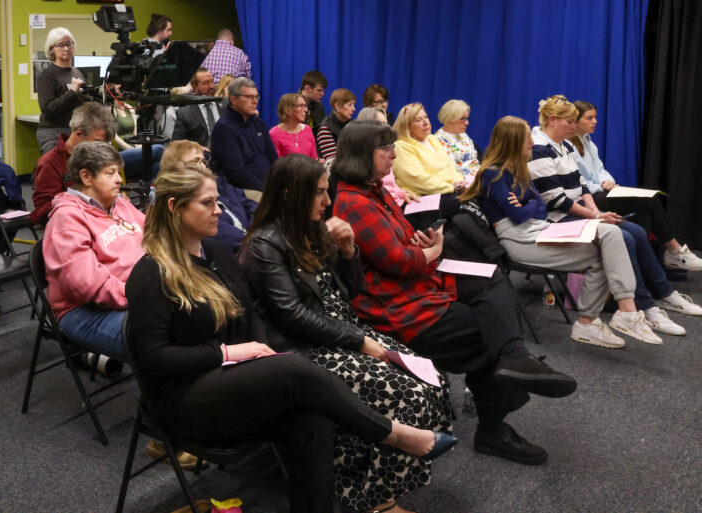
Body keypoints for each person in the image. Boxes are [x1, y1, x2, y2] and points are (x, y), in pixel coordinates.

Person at [126, 163, 458, 513]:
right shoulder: (150, 274)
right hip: (184, 398)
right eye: (207, 203)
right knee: (294, 368)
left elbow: (249, 315)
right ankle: (393, 433)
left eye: (217, 201)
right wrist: (228, 352)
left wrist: (253, 353)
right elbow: (154, 357)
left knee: (311, 418)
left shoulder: (218, 254)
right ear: (174, 207)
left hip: (229, 378)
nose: (219, 210)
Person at [332, 120, 578, 465]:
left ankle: (514, 358)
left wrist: (422, 242)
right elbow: (400, 263)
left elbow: (402, 243)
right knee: (487, 332)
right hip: (398, 306)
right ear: (361, 155)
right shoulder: (354, 202)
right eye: (385, 149)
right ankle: (494, 425)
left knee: (492, 278)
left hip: (417, 285)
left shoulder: (375, 191)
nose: (393, 155)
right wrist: (431, 251)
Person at [241, 154, 452, 513]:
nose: (327, 203)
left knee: (430, 377)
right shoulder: (265, 245)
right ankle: (377, 500)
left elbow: (350, 291)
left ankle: (379, 482)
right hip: (305, 350)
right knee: (403, 394)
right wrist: (360, 341)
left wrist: (348, 250)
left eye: (327, 192)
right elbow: (292, 317)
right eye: (320, 194)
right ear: (291, 195)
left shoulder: (310, 232)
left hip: (342, 331)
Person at [460, 116, 671, 347]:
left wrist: (527, 204)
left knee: (608, 241)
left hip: (539, 229)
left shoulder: (519, 169)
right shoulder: (493, 173)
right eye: (526, 136)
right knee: (608, 237)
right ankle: (618, 315)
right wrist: (530, 204)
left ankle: (599, 320)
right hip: (518, 241)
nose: (531, 141)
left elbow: (540, 209)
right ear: (512, 141)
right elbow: (520, 216)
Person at [529, 95, 701, 324]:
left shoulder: (567, 145)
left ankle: (666, 294)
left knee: (638, 232)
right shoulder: (539, 149)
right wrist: (595, 215)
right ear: (552, 120)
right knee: (625, 238)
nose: (574, 126)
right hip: (558, 219)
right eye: (570, 122)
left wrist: (596, 212)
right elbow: (556, 200)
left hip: (579, 211)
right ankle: (644, 306)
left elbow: (581, 186)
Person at [568, 100, 702, 271]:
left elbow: (600, 169)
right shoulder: (569, 146)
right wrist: (600, 186)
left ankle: (640, 264)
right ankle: (674, 249)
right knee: (650, 199)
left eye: (595, 117)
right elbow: (577, 181)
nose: (595, 121)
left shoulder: (589, 143)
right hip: (588, 198)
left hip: (601, 190)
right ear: (576, 121)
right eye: (589, 118)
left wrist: (606, 181)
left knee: (644, 212)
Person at [42, 142, 142, 361]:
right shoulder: (66, 218)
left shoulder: (119, 204)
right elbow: (88, 284)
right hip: (85, 311)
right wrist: (143, 297)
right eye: (110, 173)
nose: (119, 179)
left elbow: (156, 239)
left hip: (135, 296)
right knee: (163, 336)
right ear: (86, 177)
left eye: (118, 172)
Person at [31, 102, 115, 225]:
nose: (101, 148)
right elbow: (42, 212)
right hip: (73, 227)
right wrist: (83, 202)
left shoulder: (98, 157)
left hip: (104, 223)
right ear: (79, 134)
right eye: (97, 142)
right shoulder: (49, 163)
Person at [161, 141, 255, 251]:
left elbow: (252, 207)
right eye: (195, 161)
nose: (203, 166)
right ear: (176, 169)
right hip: (236, 250)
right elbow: (221, 233)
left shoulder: (218, 183)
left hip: (251, 242)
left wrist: (259, 232)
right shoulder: (184, 199)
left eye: (203, 161)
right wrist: (255, 241)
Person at [209, 78, 278, 199]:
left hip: (266, 186)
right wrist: (268, 190)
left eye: (256, 97)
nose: (255, 101)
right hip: (241, 190)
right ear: (234, 99)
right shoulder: (224, 128)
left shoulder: (258, 123)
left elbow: (274, 160)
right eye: (249, 97)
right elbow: (237, 173)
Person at [391, 102, 466, 196]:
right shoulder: (401, 146)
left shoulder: (431, 138)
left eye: (426, 117)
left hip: (448, 190)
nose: (426, 123)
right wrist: (452, 188)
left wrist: (459, 182)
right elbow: (417, 179)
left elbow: (449, 165)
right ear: (408, 127)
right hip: (424, 196)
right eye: (418, 120)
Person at [35, 27, 86, 154]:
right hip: (53, 133)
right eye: (60, 45)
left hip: (74, 132)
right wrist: (72, 92)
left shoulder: (77, 73)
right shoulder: (47, 75)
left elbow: (82, 104)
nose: (66, 48)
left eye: (69, 43)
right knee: (56, 170)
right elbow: (47, 109)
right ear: (51, 49)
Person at [172, 68, 223, 147]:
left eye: (212, 81)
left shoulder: (225, 105)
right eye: (205, 83)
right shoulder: (185, 113)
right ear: (195, 88)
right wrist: (197, 149)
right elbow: (177, 145)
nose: (212, 86)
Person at [434, 99, 481, 179]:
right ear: (450, 119)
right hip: (462, 182)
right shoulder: (439, 139)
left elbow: (476, 159)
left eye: (467, 118)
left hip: (477, 177)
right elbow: (451, 170)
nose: (467, 123)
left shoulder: (463, 135)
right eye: (463, 119)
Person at [269, 93, 319, 159]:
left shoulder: (307, 129)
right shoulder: (274, 134)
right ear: (288, 110)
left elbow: (314, 159)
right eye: (301, 106)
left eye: (305, 106)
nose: (306, 110)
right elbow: (275, 164)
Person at [315, 88, 356, 161]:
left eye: (353, 105)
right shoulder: (325, 129)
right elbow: (332, 161)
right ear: (337, 106)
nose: (354, 109)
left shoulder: (354, 125)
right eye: (349, 105)